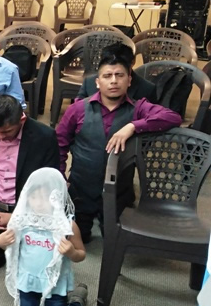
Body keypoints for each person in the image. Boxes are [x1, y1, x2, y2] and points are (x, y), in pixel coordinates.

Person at [57, 52, 181, 243]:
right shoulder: (78, 109)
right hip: (81, 189)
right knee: (76, 240)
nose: (114, 81)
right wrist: (60, 177)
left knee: (114, 241)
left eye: (119, 75)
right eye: (107, 76)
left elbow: (173, 117)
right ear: (97, 82)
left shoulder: (139, 108)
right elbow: (59, 144)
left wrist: (133, 126)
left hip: (119, 191)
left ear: (129, 80)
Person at [0, 168, 88, 306]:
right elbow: (6, 246)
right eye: (34, 197)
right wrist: (1, 241)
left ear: (56, 197)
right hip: (28, 283)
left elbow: (81, 254)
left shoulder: (67, 225)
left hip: (55, 286)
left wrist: (72, 252)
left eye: (45, 198)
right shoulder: (21, 222)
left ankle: (76, 302)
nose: (39, 203)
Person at [0, 95, 60, 269]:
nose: (0, 137)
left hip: (26, 209)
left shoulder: (45, 137)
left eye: (6, 132)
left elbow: (49, 184)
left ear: (22, 119)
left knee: (29, 265)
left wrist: (18, 217)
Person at [76, 42, 157, 103]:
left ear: (133, 62)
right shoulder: (89, 83)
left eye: (119, 73)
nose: (113, 80)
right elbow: (76, 111)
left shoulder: (147, 89)